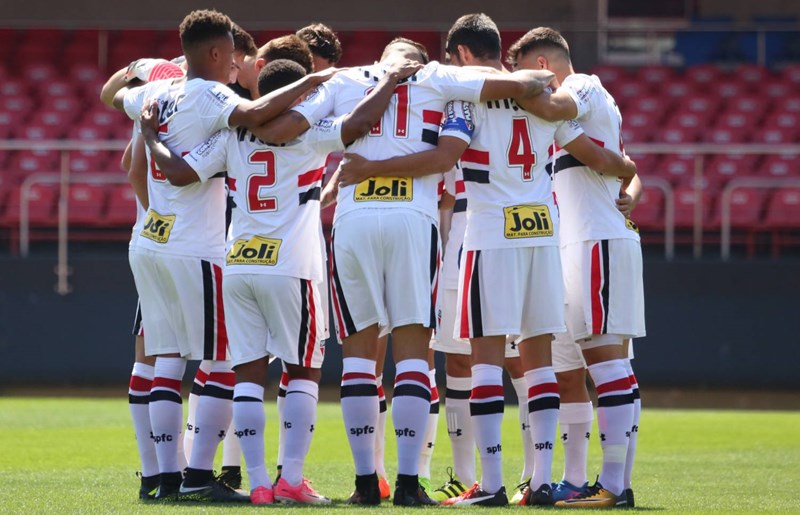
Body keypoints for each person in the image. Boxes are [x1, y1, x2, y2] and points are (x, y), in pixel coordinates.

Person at [335, 14, 635, 507]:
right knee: (538, 363)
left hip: (490, 232)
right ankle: (539, 482)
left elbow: (444, 155)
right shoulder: (541, 98)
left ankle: (491, 484)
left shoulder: (464, 97)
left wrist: (374, 166)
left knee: (486, 362)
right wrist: (627, 168)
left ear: (463, 55)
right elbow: (586, 146)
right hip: (542, 233)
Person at [255, 35, 557, 506]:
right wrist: (547, 78)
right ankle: (410, 486)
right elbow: (521, 84)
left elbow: (283, 127)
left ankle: (363, 485)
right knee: (414, 356)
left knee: (358, 358)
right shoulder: (439, 76)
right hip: (414, 221)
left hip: (353, 223)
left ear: (381, 61)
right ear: (421, 61)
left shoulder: (348, 79)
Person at [141, 56, 422, 504]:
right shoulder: (311, 131)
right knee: (303, 369)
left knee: (248, 373)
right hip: (291, 265)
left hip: (239, 263)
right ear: (301, 97)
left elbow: (178, 172)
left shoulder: (230, 134)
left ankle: (256, 484)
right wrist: (388, 79)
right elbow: (363, 119)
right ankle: (290, 478)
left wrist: (151, 135)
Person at [99, 8, 340, 501]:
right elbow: (254, 117)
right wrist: (317, 82)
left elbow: (115, 97)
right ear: (215, 53)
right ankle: (198, 476)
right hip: (197, 244)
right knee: (222, 361)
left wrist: (140, 86)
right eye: (231, 55)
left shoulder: (155, 91)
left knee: (163, 360)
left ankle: (162, 477)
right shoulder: (214, 96)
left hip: (149, 238)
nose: (237, 64)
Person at [508, 27, 646, 508]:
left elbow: (557, 109)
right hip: (576, 243)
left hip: (596, 241)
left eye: (524, 71)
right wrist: (628, 184)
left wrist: (501, 90)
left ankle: (614, 487)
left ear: (542, 66)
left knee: (609, 363)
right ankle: (595, 481)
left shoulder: (583, 84)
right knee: (578, 368)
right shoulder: (580, 113)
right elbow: (627, 167)